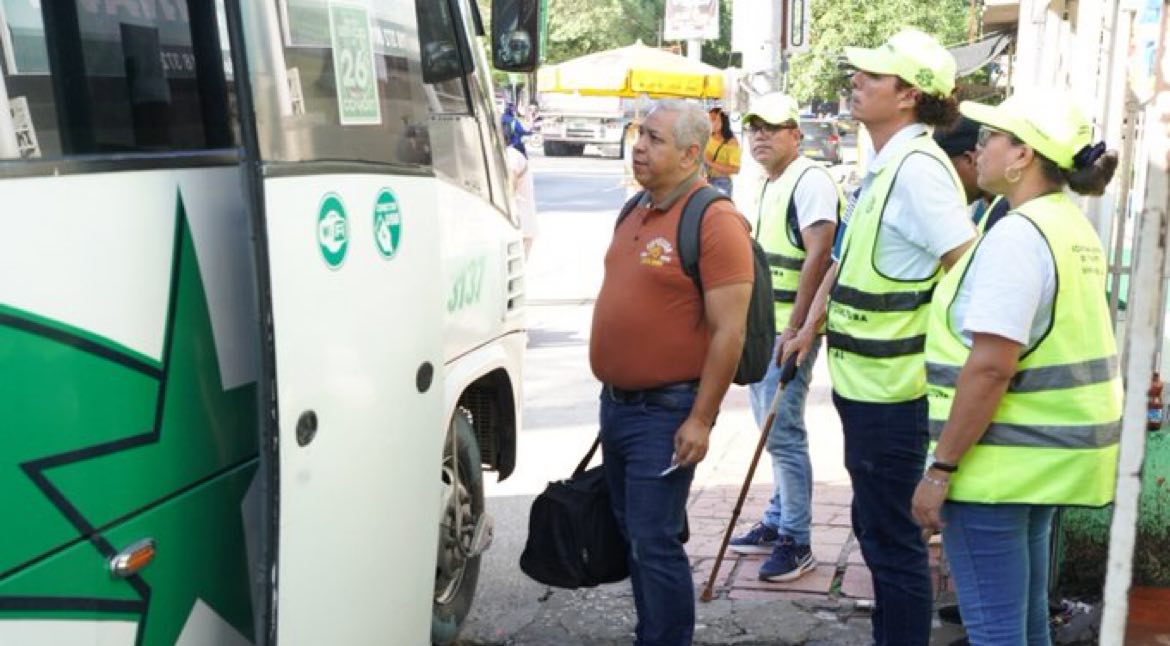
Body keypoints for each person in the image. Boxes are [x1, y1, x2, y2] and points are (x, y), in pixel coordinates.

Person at [783, 29, 976, 646]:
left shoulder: (920, 171)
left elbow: (966, 272)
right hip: (866, 388)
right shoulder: (888, 163)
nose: (856, 82)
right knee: (877, 533)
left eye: (873, 76)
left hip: (897, 395)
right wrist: (809, 324)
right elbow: (847, 258)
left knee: (892, 545)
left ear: (910, 95)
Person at [911, 92, 1122, 646]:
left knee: (997, 631)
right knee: (1024, 625)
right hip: (1041, 462)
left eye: (991, 139)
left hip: (997, 469)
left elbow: (990, 366)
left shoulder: (1019, 236)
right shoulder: (1066, 225)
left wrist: (940, 470)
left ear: (1022, 154)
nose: (977, 149)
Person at [591, 99, 753, 646]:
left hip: (666, 412)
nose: (639, 146)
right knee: (635, 535)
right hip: (618, 406)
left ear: (690, 153)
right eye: (640, 135)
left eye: (655, 139)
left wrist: (702, 420)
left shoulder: (714, 218)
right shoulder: (635, 207)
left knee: (653, 539)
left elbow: (729, 332)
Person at [726, 92, 840, 584]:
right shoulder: (768, 182)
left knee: (783, 433)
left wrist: (797, 330)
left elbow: (819, 256)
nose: (760, 136)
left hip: (787, 332)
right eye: (754, 127)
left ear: (796, 133)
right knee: (771, 429)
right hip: (764, 328)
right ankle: (777, 518)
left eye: (772, 127)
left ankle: (797, 539)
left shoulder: (809, 180)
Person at [934, 116, 1011, 232]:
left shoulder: (1006, 211)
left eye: (945, 171)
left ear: (969, 160)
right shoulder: (980, 211)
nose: (942, 182)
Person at [504, 141, 538, 257]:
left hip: (518, 222)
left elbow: (512, 178)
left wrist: (508, 203)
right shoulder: (513, 154)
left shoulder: (511, 154)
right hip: (522, 223)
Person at [704, 107, 741, 196]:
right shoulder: (710, 136)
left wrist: (710, 162)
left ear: (723, 121)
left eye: (713, 120)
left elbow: (735, 169)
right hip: (706, 180)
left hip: (721, 183)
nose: (711, 123)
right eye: (709, 120)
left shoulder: (732, 142)